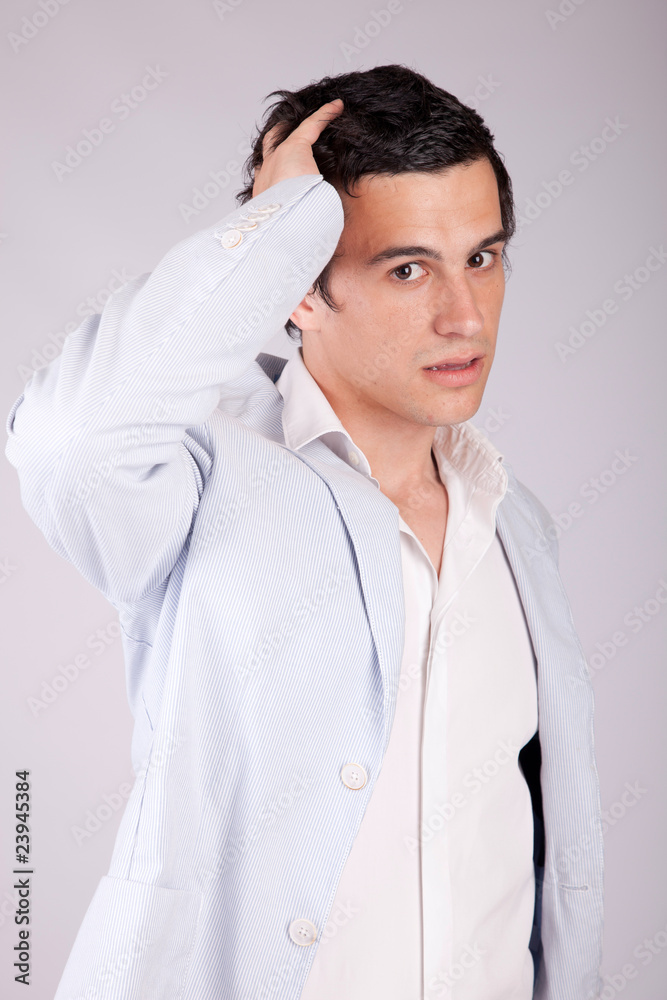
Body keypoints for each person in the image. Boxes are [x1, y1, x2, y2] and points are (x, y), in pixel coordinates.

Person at [5, 64, 603, 999]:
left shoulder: (513, 520)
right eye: (407, 268)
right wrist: (270, 231)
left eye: (481, 259)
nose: (464, 316)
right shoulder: (200, 482)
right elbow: (68, 445)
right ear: (299, 290)